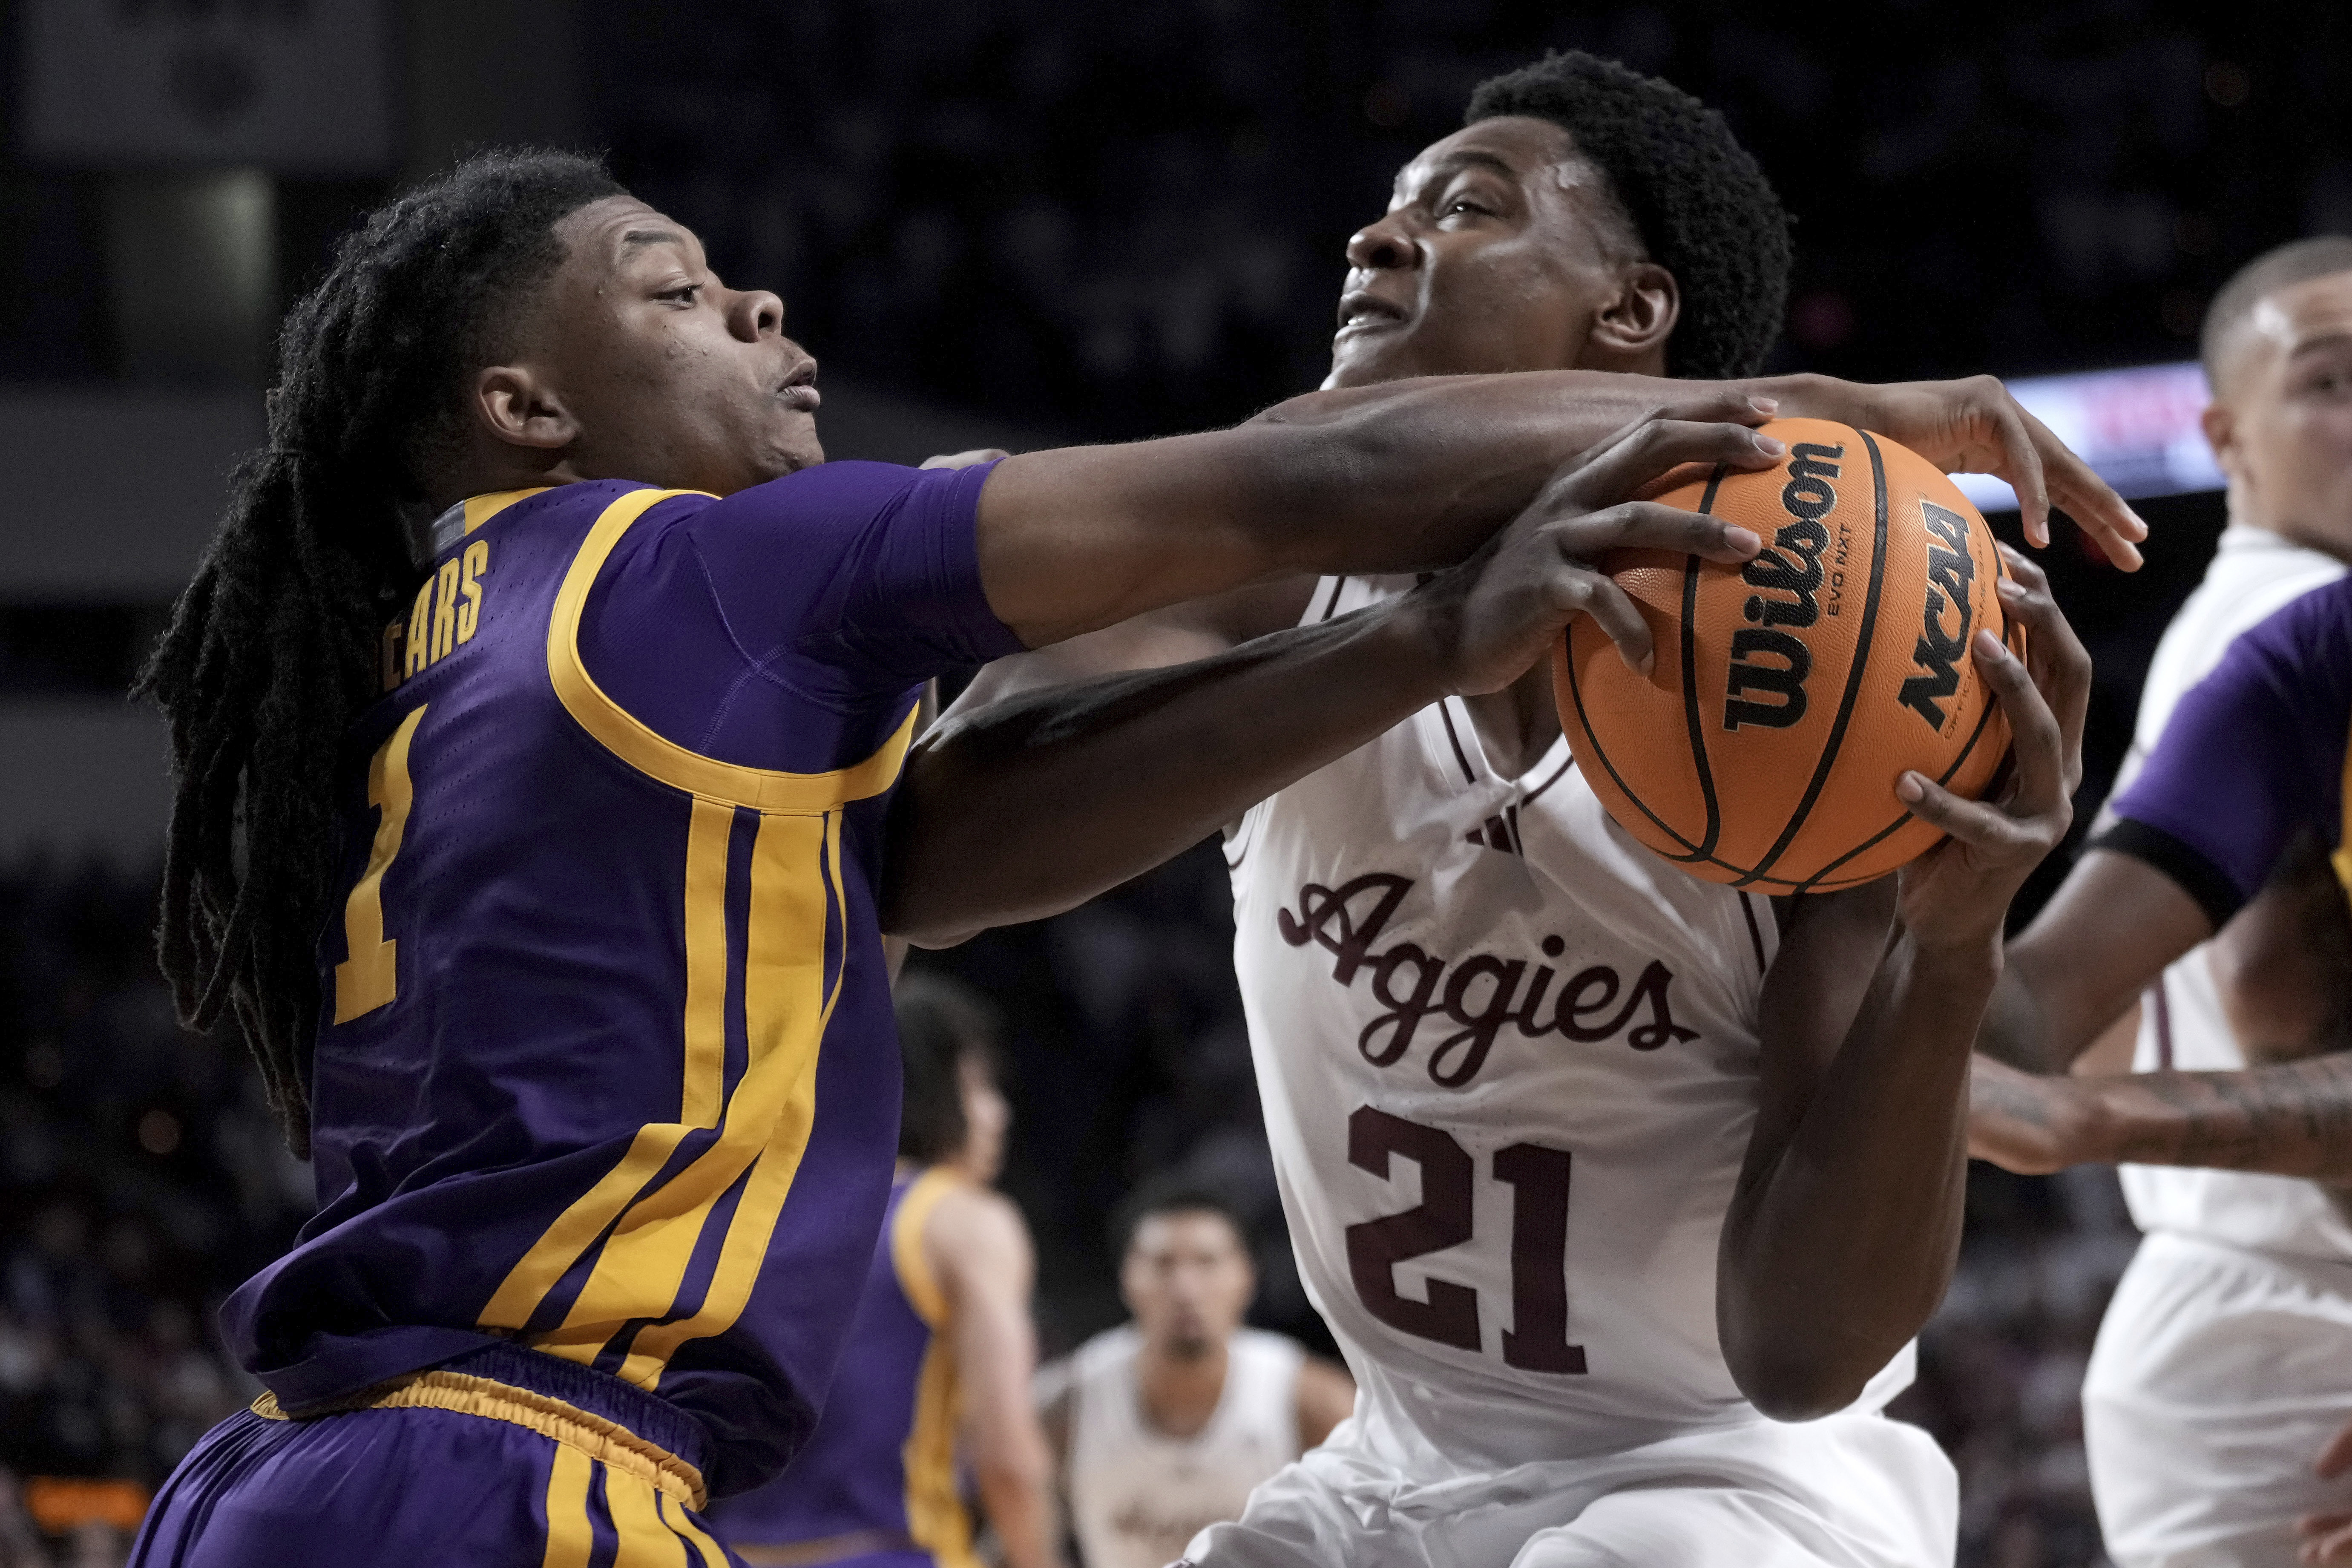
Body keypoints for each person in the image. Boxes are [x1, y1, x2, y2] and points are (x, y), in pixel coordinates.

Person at [120, 145, 2102, 1565]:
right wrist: (1799, 415)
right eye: (670, 287)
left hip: (304, 1470)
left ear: (1629, 305)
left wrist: (1432, 631)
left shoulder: (448, 630)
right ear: (527, 404)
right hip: (517, 1472)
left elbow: (904, 846)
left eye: (1475, 204)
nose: (757, 302)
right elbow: (1287, 496)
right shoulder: (698, 571)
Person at [889, 51, 2136, 1568]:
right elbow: (931, 852)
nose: (1378, 238)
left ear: (1633, 314)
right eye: (1388, 208)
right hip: (1395, 1465)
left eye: (1466, 208)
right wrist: (1415, 643)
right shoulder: (1289, 579)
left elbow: (1802, 1359)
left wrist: (1951, 947)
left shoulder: (1816, 702)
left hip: (1734, 1488)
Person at [1967, 239, 2352, 1568]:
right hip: (2306, 1311)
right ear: (2222, 433)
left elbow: (2076, 1027)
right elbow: (2268, 989)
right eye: (2329, 380)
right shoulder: (2301, 619)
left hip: (2223, 1310)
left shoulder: (2235, 624)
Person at [708, 975, 1057, 1568]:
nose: (998, 1114)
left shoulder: (747, 1213)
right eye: (979, 1086)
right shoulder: (963, 1221)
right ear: (926, 1091)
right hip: (890, 1552)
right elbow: (1008, 1459)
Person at [1037, 1188, 1354, 1568]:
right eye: (1163, 1264)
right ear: (1126, 1278)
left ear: (1248, 1276)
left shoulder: (1314, 1401)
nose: (1186, 1288)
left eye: (1207, 1262)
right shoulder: (1064, 1403)